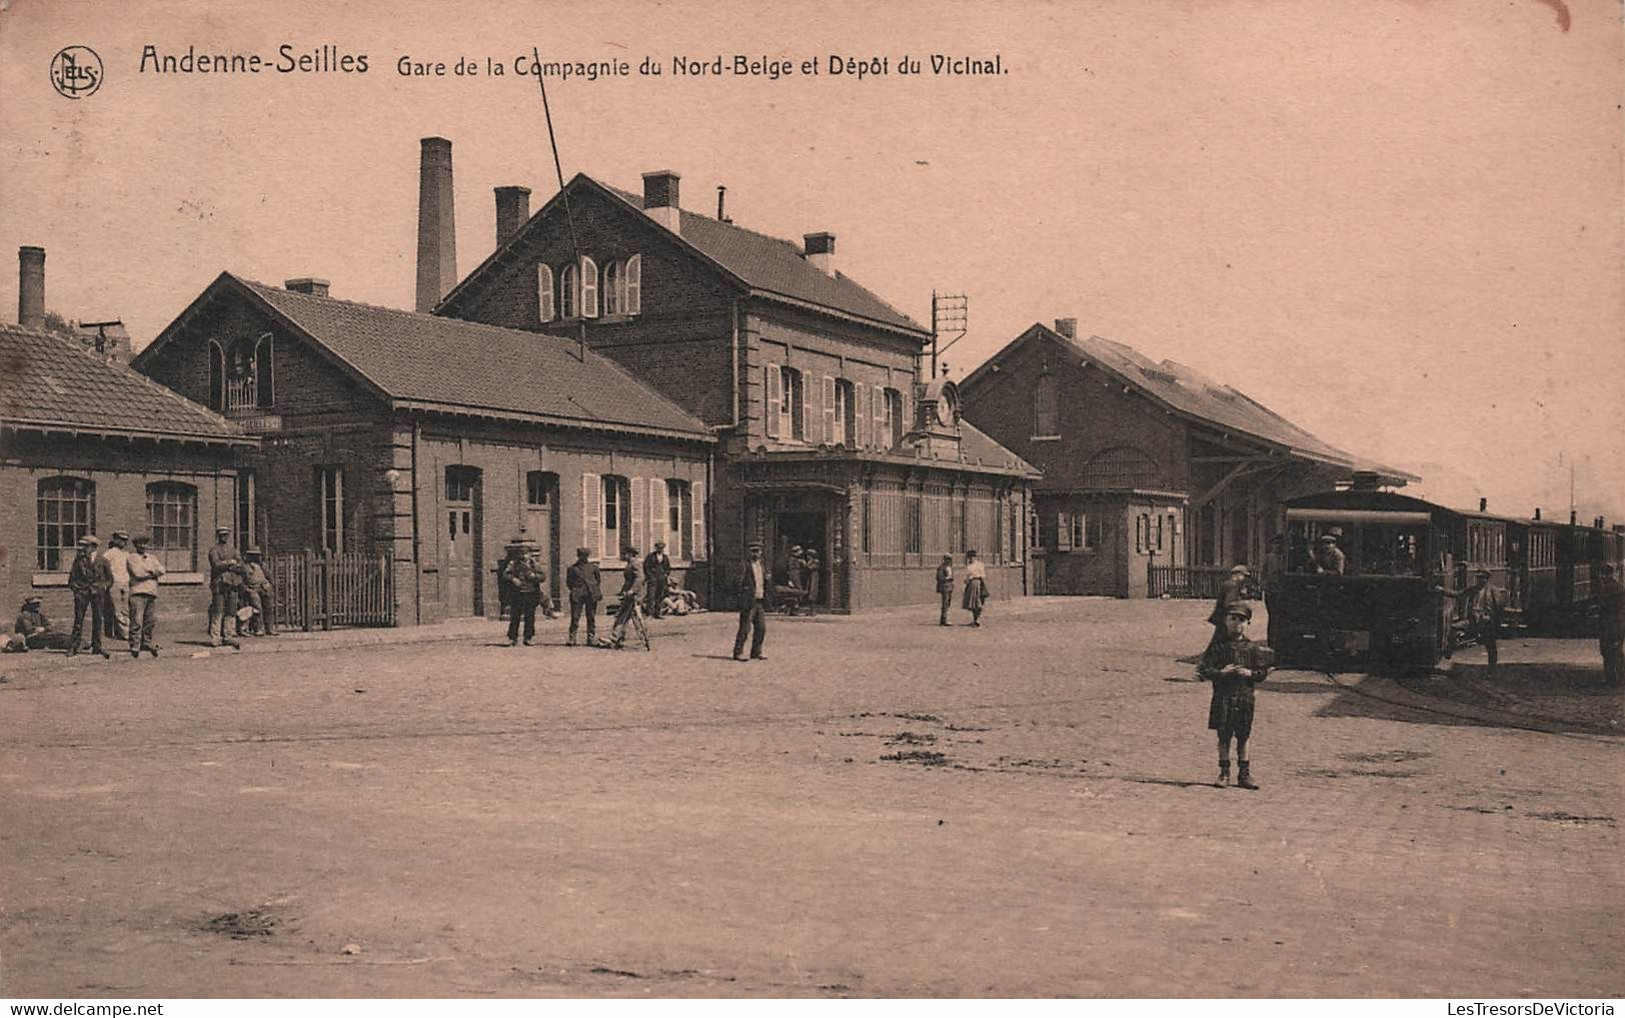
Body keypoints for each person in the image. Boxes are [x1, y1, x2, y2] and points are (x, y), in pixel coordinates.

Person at [1198, 602, 1272, 789]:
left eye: (1241, 620)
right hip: (1223, 696)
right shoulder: (1217, 647)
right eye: (1233, 619)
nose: (1237, 623)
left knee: (1243, 736)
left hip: (1244, 697)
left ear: (1247, 623)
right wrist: (1221, 673)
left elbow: (1262, 673)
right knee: (1224, 735)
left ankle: (1244, 774)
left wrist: (1251, 674)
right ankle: (1224, 772)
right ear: (1225, 621)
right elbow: (1204, 670)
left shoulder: (1253, 648)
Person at [66, 535, 110, 658]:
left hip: (97, 594)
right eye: (83, 546)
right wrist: (77, 590)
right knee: (78, 620)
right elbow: (72, 577)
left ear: (94, 547)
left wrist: (103, 587)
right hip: (82, 593)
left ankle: (97, 646)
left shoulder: (103, 561)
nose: (83, 548)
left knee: (97, 620)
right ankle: (74, 646)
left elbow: (109, 579)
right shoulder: (79, 560)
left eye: (86, 546)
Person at [124, 535, 166, 658]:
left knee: (150, 620)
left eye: (145, 544)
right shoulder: (132, 557)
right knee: (136, 620)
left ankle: (146, 642)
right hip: (137, 592)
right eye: (140, 544)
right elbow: (137, 573)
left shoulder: (152, 557)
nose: (143, 546)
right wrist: (153, 573)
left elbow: (162, 570)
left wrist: (148, 571)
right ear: (136, 545)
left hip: (151, 592)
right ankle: (134, 644)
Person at [206, 526, 243, 649]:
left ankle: (229, 635)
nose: (224, 537)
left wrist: (231, 564)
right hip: (219, 584)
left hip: (232, 583)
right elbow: (215, 564)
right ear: (218, 536)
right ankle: (215, 637)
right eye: (222, 535)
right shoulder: (214, 550)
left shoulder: (233, 550)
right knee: (218, 610)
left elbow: (240, 565)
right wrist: (230, 563)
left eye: (226, 535)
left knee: (231, 610)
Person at [501, 542, 545, 646]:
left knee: (530, 617)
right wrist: (513, 579)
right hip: (517, 593)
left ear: (530, 554)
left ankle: (528, 637)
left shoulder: (535, 564)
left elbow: (543, 576)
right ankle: (512, 638)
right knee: (515, 616)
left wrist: (534, 577)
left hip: (531, 593)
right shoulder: (513, 563)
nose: (523, 556)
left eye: (526, 553)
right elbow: (506, 574)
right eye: (522, 554)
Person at [733, 540, 770, 662]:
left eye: (758, 551)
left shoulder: (761, 565)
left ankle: (756, 652)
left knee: (761, 628)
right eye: (753, 551)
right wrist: (743, 595)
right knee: (745, 627)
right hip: (749, 601)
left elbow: (762, 580)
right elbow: (738, 582)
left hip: (759, 600)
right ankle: (738, 652)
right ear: (749, 552)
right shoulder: (744, 565)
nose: (756, 554)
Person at [6, 596, 74, 653]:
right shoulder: (24, 615)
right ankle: (73, 644)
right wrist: (41, 629)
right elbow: (29, 630)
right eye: (35, 604)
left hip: (41, 636)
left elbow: (49, 626)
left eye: (38, 604)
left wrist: (43, 629)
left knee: (60, 635)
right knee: (57, 639)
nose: (37, 606)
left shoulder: (39, 615)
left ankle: (76, 642)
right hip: (30, 639)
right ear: (30, 605)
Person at [608, 546, 646, 649]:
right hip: (630, 593)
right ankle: (619, 638)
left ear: (630, 554)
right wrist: (622, 592)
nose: (623, 556)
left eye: (624, 554)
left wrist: (632, 590)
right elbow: (628, 581)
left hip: (634, 594)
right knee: (625, 615)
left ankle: (615, 637)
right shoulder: (630, 564)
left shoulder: (635, 563)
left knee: (622, 615)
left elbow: (640, 578)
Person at [565, 547, 603, 647]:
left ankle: (591, 638)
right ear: (579, 556)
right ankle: (572, 638)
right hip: (578, 596)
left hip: (591, 595)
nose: (584, 558)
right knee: (575, 617)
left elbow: (597, 580)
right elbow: (569, 583)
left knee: (591, 617)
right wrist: (576, 590)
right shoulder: (573, 568)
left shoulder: (593, 568)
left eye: (586, 556)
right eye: (582, 556)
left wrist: (593, 590)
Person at [99, 530, 132, 641]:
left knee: (126, 609)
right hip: (115, 583)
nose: (123, 542)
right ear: (115, 539)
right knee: (117, 609)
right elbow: (102, 567)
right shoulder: (110, 553)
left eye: (125, 540)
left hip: (126, 582)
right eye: (121, 539)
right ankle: (125, 633)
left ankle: (125, 631)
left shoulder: (127, 554)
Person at [1206, 565, 1250, 646]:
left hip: (1222, 617)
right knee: (1222, 640)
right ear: (1237, 575)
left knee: (1219, 639)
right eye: (1244, 576)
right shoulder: (1232, 586)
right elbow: (1229, 603)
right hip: (1226, 618)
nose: (1245, 579)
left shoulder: (1228, 584)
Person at [1596, 563, 1624, 686]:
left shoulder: (1609, 588)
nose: (1600, 577)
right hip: (1616, 624)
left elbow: (1606, 607)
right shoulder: (1617, 587)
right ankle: (1618, 677)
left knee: (1609, 651)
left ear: (1606, 575)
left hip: (1611, 625)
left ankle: (1612, 678)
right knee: (1615, 651)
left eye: (1602, 575)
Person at [240, 549, 277, 636]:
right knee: (257, 607)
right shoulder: (245, 567)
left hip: (264, 588)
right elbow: (240, 580)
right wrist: (247, 589)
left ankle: (269, 628)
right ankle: (258, 629)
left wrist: (270, 585)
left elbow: (269, 576)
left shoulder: (262, 566)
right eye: (253, 555)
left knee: (269, 607)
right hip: (252, 589)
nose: (256, 557)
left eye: (257, 555)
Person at [644, 542, 672, 619]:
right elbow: (646, 567)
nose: (660, 550)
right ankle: (649, 614)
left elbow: (668, 568)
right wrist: (650, 576)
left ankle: (657, 613)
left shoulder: (665, 557)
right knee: (651, 596)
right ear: (656, 548)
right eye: (659, 548)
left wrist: (666, 574)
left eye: (662, 548)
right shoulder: (650, 556)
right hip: (653, 579)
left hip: (662, 579)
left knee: (659, 596)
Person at [961, 549, 988, 627]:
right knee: (972, 603)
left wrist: (984, 586)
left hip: (978, 583)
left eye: (972, 557)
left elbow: (983, 576)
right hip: (970, 584)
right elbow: (966, 578)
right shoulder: (969, 567)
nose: (971, 559)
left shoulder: (980, 565)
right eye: (970, 557)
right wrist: (965, 584)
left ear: (975, 557)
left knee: (978, 602)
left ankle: (978, 619)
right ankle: (975, 619)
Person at [935, 554, 954, 626]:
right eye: (947, 559)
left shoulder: (950, 567)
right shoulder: (941, 567)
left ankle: (945, 617)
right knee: (945, 603)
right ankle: (944, 619)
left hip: (949, 586)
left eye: (950, 559)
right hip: (944, 586)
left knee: (948, 603)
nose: (948, 561)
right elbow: (939, 577)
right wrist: (946, 578)